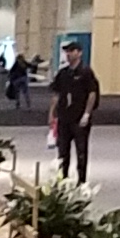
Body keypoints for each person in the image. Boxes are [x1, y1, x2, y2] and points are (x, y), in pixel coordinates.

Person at [49, 40, 100, 182]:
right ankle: (62, 179)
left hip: (79, 119)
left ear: (79, 53)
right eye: (67, 52)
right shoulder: (63, 73)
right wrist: (52, 114)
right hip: (64, 118)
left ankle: (81, 180)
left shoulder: (86, 72)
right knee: (62, 151)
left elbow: (92, 93)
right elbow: (56, 94)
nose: (68, 54)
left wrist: (87, 114)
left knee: (81, 151)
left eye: (72, 51)